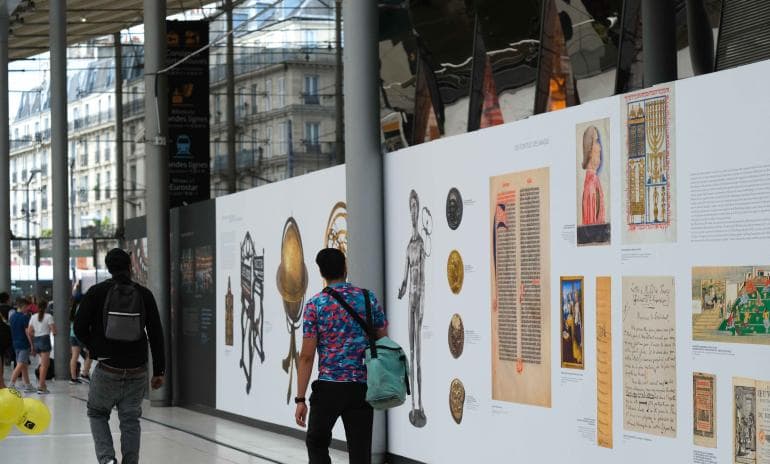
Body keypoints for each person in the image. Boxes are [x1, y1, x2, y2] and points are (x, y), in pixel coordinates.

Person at [295, 248, 388, 464]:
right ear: (345, 267)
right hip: (361, 387)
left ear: (321, 273)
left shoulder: (315, 305)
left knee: (316, 442)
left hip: (328, 387)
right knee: (360, 452)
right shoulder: (368, 298)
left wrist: (300, 399)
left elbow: (307, 356)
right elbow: (383, 340)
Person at [75, 248, 166, 464]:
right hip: (137, 370)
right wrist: (159, 370)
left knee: (97, 413)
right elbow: (156, 334)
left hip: (108, 368)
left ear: (108, 268)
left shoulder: (96, 292)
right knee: (130, 419)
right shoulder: (144, 294)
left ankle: (107, 460)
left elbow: (78, 327)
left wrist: (95, 348)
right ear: (130, 267)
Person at [27, 298, 55, 394]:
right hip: (45, 340)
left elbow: (29, 331)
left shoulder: (33, 317)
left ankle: (43, 385)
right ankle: (41, 386)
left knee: (44, 364)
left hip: (36, 340)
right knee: (44, 365)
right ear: (46, 306)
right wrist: (53, 330)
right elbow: (54, 331)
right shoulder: (49, 316)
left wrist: (32, 344)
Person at [580, 125, 606, 225]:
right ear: (589, 150)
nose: (599, 147)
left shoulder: (594, 181)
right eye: (595, 141)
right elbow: (590, 229)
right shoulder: (590, 185)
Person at [9, 298, 34, 392]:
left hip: (15, 343)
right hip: (24, 344)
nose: (28, 309)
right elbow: (27, 332)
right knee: (20, 364)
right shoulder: (25, 317)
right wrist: (32, 345)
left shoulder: (12, 317)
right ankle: (11, 384)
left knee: (24, 365)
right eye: (27, 307)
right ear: (23, 306)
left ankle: (27, 385)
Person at [69, 292, 92, 384]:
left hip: (72, 335)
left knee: (74, 356)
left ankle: (73, 378)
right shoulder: (82, 308)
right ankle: (84, 374)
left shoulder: (73, 309)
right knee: (91, 353)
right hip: (80, 335)